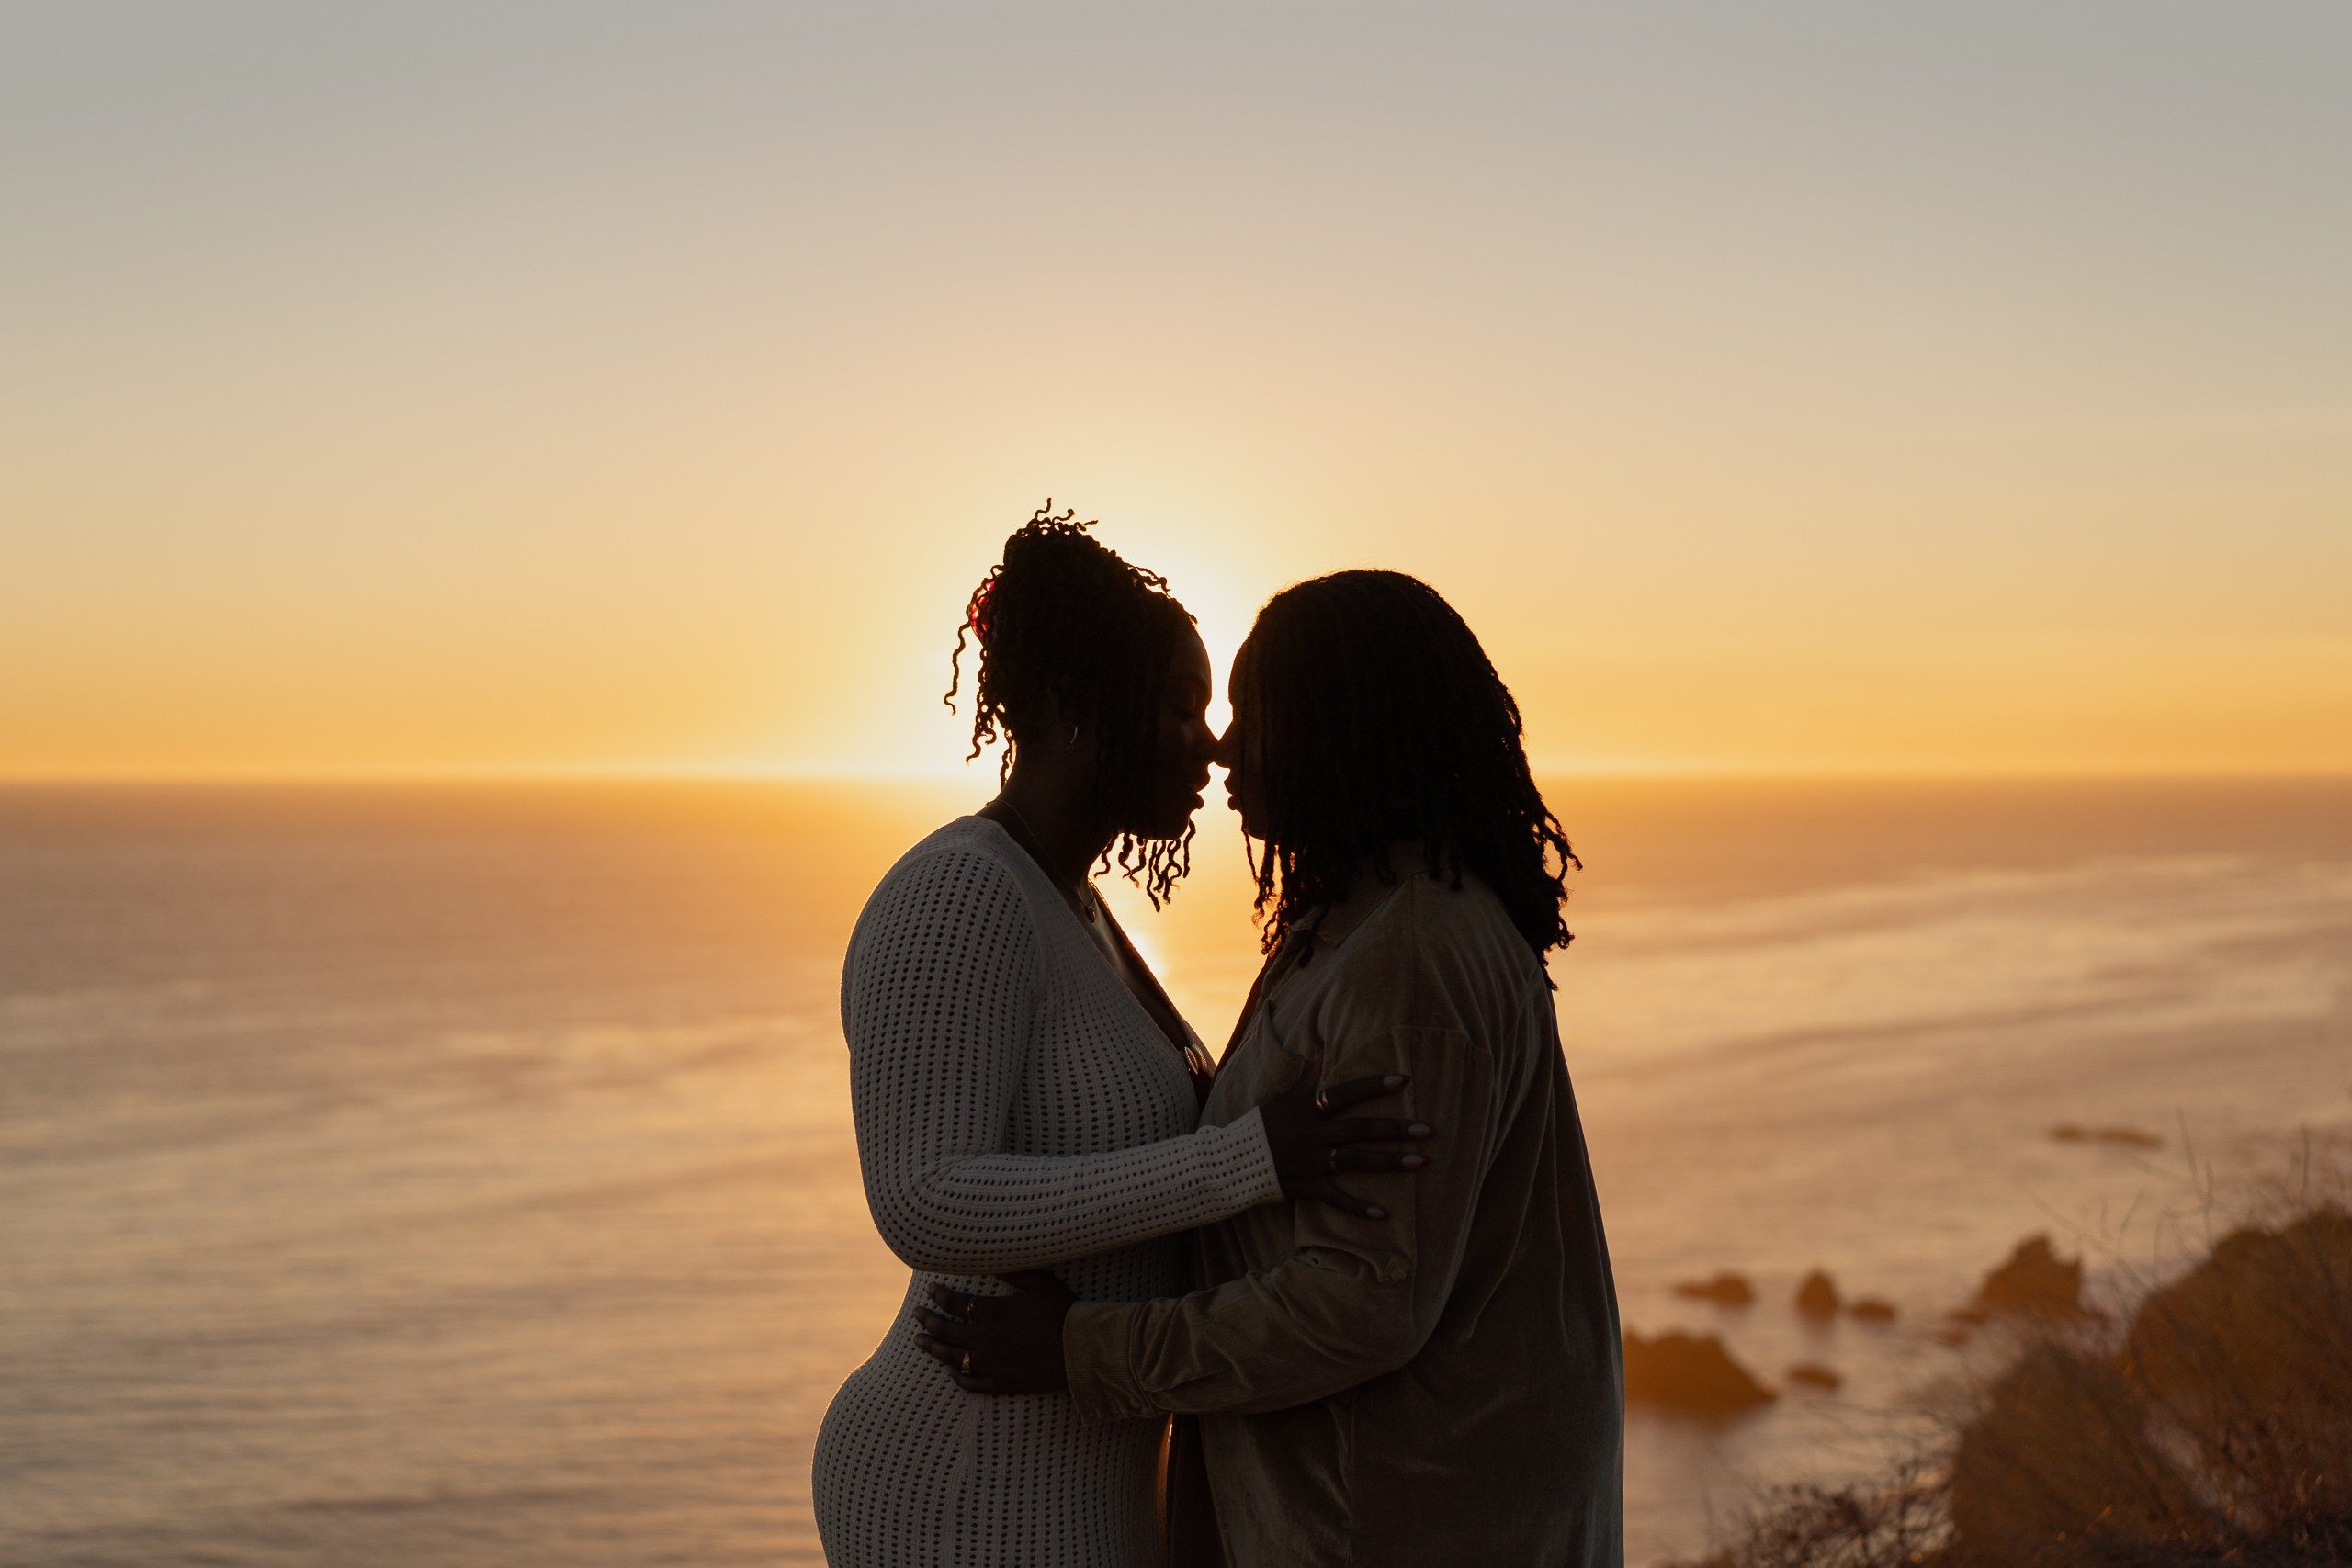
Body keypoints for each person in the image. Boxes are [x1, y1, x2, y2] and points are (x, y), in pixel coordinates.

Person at [915, 569, 1624, 1567]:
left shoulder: (1412, 956)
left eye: (1254, 713)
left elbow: (1362, 1303)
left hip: (1393, 1520)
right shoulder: (1359, 922)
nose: (1223, 744)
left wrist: (1082, 1349)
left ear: (1347, 728)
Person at [812, 512, 1433, 1568]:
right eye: (1179, 708)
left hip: (1074, 1482)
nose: (1213, 744)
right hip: (962, 1481)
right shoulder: (960, 891)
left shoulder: (1076, 907)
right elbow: (920, 1195)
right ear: (1069, 706)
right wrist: (1248, 1162)